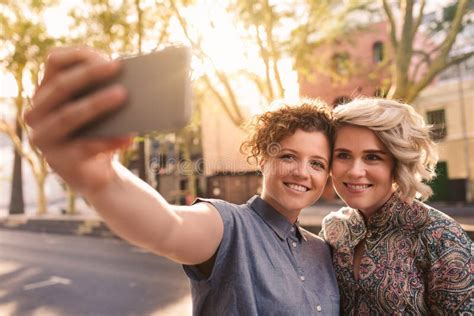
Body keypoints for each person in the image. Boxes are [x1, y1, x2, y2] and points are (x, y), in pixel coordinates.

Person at [25, 47, 340, 315]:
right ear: (262, 158)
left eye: (316, 163)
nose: (302, 171)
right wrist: (102, 179)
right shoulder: (228, 226)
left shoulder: (323, 251)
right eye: (288, 156)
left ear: (327, 174)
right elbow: (168, 226)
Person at [320, 98, 473, 315]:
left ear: (397, 163)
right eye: (343, 155)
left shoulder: (440, 237)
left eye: (372, 157)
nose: (355, 171)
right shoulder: (333, 229)